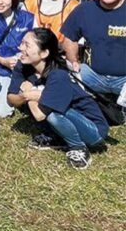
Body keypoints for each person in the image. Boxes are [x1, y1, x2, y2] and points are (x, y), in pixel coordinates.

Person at [9, 29, 109, 169]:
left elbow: (39, 115)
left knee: (51, 114)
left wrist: (29, 93)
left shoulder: (58, 75)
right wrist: (27, 95)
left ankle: (78, 147)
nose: (21, 48)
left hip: (93, 130)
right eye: (22, 43)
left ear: (44, 53)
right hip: (67, 118)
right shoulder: (23, 65)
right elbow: (11, 99)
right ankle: (59, 137)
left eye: (27, 45)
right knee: (48, 106)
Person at [61, 0, 126, 97]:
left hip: (124, 80)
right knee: (60, 80)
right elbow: (69, 39)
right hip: (93, 76)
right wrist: (73, 61)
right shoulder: (83, 10)